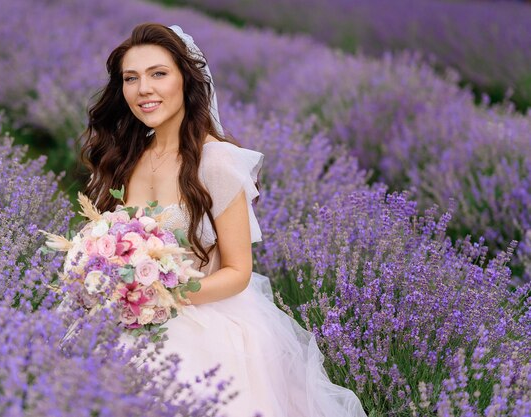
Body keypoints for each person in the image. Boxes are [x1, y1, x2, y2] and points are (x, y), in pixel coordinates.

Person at [80, 22, 367, 417]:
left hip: (199, 324)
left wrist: (160, 295)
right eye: (132, 78)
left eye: (158, 74)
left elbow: (238, 271)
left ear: (186, 80)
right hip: (121, 318)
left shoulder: (216, 161)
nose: (143, 88)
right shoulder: (123, 158)